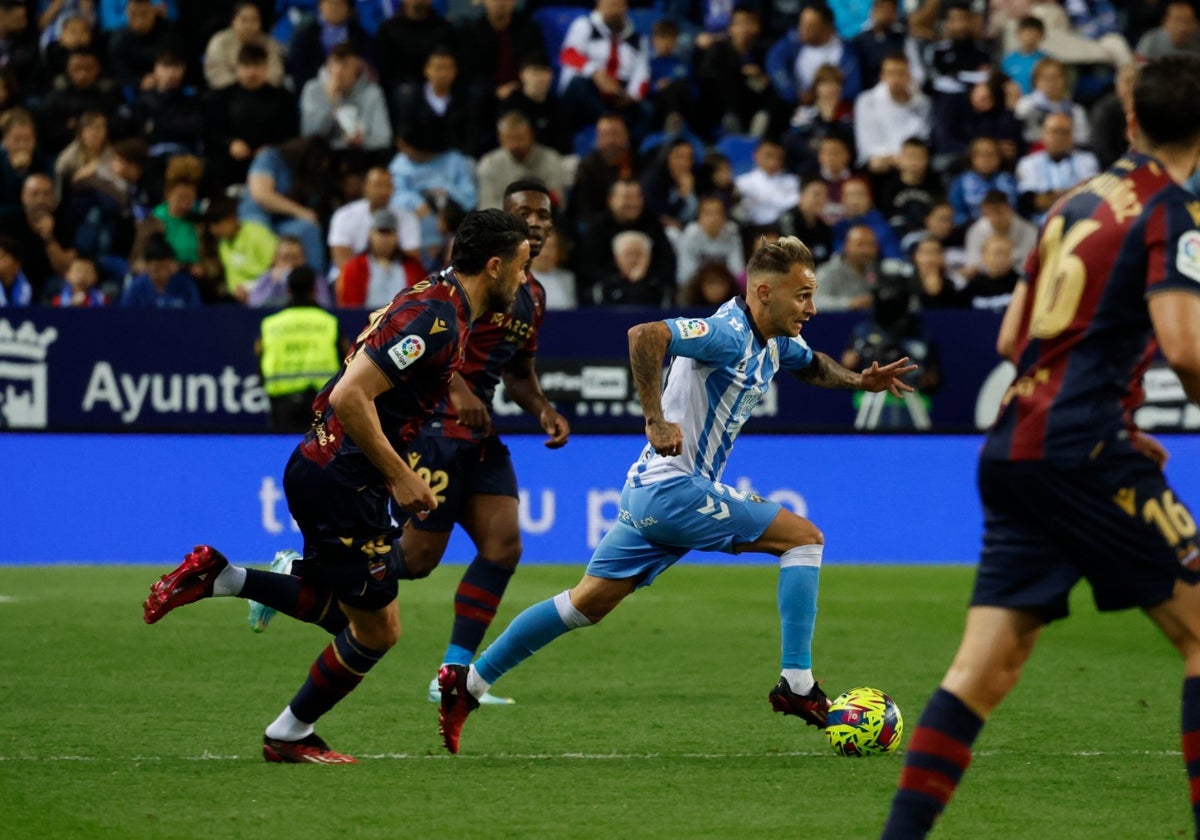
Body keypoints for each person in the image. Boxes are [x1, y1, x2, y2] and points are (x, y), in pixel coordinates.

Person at [881, 54, 1200, 838]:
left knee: (983, 670)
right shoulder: (1169, 212)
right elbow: (1186, 348)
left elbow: (1010, 335)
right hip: (1083, 449)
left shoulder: (1068, 204)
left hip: (1015, 451)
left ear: (1129, 122)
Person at [435, 234, 916, 754]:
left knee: (584, 604)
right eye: (802, 295)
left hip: (652, 493)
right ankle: (796, 685)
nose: (812, 307)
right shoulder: (727, 333)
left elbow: (811, 363)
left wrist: (857, 381)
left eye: (812, 293)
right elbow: (645, 335)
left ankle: (469, 684)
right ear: (762, 292)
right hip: (672, 488)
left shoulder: (774, 338)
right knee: (803, 539)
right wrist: (655, 420)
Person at [142, 208, 532, 765]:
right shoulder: (437, 319)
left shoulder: (437, 298)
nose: (523, 279)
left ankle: (221, 578)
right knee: (376, 632)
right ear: (494, 266)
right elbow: (352, 395)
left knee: (352, 615)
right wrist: (401, 474)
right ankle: (288, 732)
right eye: (520, 267)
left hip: (325, 468)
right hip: (344, 481)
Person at [257, 266, 344, 433]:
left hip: (283, 405)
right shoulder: (329, 323)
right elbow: (344, 365)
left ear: (288, 290)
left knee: (285, 455)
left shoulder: (270, 325)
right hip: (320, 405)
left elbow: (261, 367)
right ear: (314, 290)